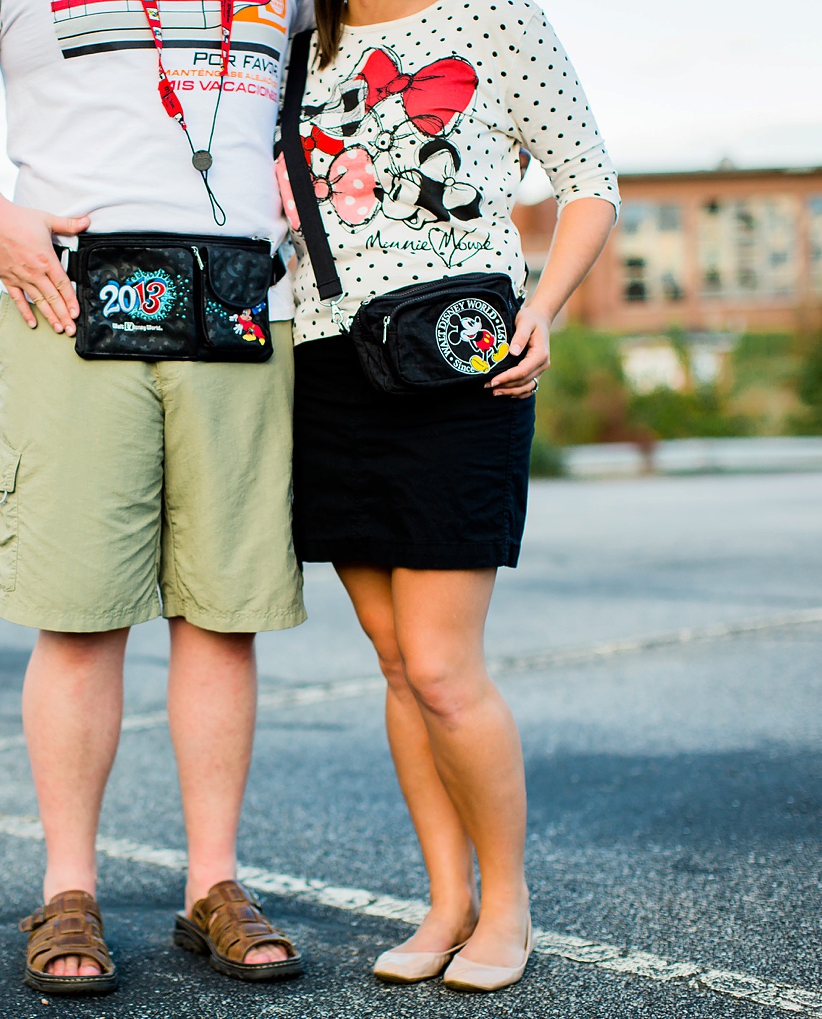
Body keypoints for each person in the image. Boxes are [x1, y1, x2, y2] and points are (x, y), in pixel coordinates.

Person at [0, 0, 313, 997]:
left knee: (222, 609)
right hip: (70, 297)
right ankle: (67, 888)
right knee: (77, 612)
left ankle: (214, 885)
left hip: (245, 302)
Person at [280, 0, 619, 993]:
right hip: (327, 370)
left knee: (440, 665)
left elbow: (588, 182)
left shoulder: (494, 15)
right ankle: (445, 900)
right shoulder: (304, 39)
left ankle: (505, 902)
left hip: (457, 361)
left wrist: (542, 308)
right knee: (394, 663)